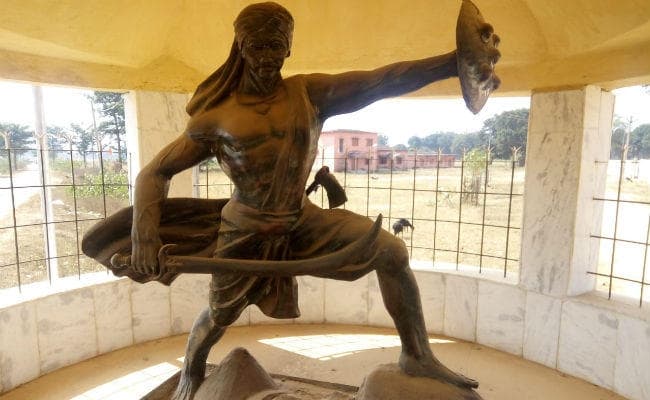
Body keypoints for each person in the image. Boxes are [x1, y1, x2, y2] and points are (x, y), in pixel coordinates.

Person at [129, 3, 499, 399]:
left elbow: (380, 81)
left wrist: (454, 62)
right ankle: (192, 366)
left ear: (289, 47)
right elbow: (154, 173)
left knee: (391, 251)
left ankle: (417, 355)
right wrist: (143, 236)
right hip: (246, 230)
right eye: (257, 47)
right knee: (220, 314)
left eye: (276, 46)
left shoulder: (309, 93)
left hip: (302, 220)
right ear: (240, 47)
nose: (267, 57)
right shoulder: (215, 118)